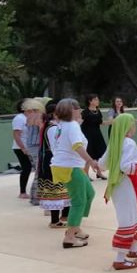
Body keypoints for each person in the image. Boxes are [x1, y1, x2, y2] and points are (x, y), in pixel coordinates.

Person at [99, 113, 137, 271]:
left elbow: (102, 165)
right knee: (129, 219)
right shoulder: (129, 143)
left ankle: (133, 249)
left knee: (133, 216)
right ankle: (120, 259)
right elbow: (126, 166)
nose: (134, 127)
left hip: (117, 185)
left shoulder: (115, 142)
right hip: (127, 184)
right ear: (128, 127)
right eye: (132, 124)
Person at [51, 98, 99, 249]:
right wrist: (91, 161)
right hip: (69, 167)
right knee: (79, 201)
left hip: (67, 165)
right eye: (78, 108)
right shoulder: (72, 125)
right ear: (72, 110)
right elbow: (77, 146)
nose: (80, 110)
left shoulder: (62, 125)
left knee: (89, 193)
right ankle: (70, 237)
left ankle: (75, 227)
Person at [37, 101, 71, 228]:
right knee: (56, 189)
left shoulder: (53, 126)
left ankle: (64, 215)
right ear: (54, 114)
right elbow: (54, 147)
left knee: (62, 188)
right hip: (54, 160)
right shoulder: (52, 128)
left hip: (55, 159)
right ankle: (55, 220)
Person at [81, 94, 107, 180]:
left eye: (97, 99)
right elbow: (80, 122)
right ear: (90, 101)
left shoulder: (98, 111)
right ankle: (86, 174)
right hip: (87, 135)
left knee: (100, 153)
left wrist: (114, 122)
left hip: (97, 134)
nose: (97, 101)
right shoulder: (85, 112)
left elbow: (101, 122)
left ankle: (99, 173)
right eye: (95, 99)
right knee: (89, 153)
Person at [11, 99, 32, 199]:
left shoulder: (27, 117)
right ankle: (22, 192)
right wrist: (23, 148)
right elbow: (16, 135)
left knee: (28, 168)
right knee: (26, 168)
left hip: (27, 147)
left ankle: (24, 191)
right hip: (20, 148)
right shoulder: (19, 118)